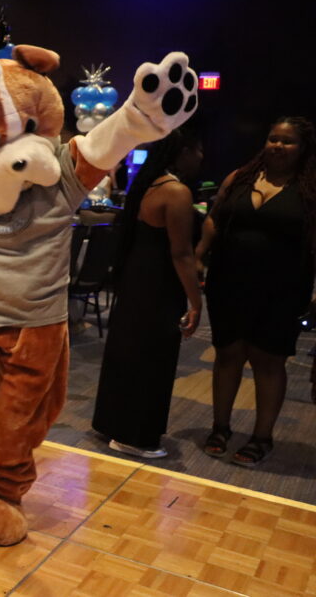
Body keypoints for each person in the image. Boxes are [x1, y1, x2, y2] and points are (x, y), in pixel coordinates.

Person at [195, 116, 316, 467]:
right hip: (229, 282)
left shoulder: (309, 190)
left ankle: (262, 437)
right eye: (273, 139)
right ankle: (221, 428)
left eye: (287, 141)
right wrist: (200, 254)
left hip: (282, 289)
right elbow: (214, 217)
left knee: (268, 361)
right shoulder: (240, 178)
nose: (277, 146)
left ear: (303, 148)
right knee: (228, 354)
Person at [91, 132, 204, 457]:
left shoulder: (147, 184)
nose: (200, 158)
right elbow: (181, 253)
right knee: (152, 357)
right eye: (198, 150)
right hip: (158, 284)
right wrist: (196, 301)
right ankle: (134, 436)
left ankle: (113, 423)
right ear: (184, 152)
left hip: (135, 278)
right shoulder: (176, 192)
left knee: (127, 351)